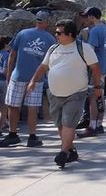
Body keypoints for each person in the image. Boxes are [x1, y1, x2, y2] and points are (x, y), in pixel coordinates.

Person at [27, 19, 101, 168]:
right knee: (60, 124)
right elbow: (43, 66)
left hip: (76, 92)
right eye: (56, 32)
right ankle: (71, 150)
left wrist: (98, 86)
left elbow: (95, 68)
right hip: (54, 93)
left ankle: (62, 153)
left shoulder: (83, 48)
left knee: (68, 123)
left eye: (59, 33)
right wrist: (33, 80)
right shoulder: (53, 48)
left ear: (70, 34)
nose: (56, 35)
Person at [0, 10, 55, 148]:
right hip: (36, 78)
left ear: (36, 20)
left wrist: (9, 75)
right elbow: (51, 62)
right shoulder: (50, 39)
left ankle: (13, 134)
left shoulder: (22, 33)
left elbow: (12, 55)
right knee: (32, 107)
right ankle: (32, 136)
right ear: (47, 22)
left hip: (18, 75)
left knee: (13, 105)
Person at [78, 7, 106, 138]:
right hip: (104, 66)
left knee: (93, 97)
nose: (86, 19)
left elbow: (90, 51)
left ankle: (92, 126)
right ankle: (99, 124)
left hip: (95, 68)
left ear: (92, 17)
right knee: (100, 96)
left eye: (87, 16)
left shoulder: (95, 30)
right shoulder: (105, 29)